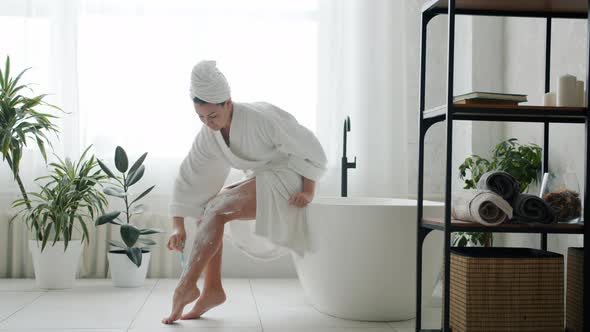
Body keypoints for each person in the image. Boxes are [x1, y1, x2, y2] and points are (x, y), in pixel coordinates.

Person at [162, 60, 327, 324]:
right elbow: (191, 174)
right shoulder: (209, 133)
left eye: (213, 116)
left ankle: (186, 286)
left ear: (228, 102)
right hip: (263, 178)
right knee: (208, 210)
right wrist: (177, 225)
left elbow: (309, 148)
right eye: (201, 117)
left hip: (290, 176)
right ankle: (211, 290)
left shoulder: (261, 117)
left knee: (218, 208)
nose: (208, 123)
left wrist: (308, 190)